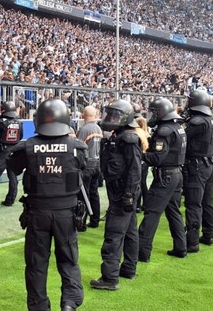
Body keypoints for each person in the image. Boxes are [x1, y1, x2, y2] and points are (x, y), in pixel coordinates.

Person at [7, 99, 86, 311]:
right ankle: (69, 303)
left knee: (36, 264)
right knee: (69, 261)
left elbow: (13, 168)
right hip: (66, 214)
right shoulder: (76, 146)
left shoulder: (27, 147)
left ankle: (39, 306)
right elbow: (85, 169)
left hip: (37, 213)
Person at [91, 99, 142, 291]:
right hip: (121, 191)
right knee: (130, 231)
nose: (110, 118)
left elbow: (134, 170)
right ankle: (128, 268)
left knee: (113, 234)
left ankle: (110, 277)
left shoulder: (128, 138)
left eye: (115, 115)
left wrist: (129, 193)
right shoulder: (120, 136)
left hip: (123, 192)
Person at [137, 97, 187, 260]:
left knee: (152, 212)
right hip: (176, 174)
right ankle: (181, 247)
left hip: (165, 176)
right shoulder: (178, 128)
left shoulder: (164, 131)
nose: (151, 115)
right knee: (173, 211)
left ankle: (142, 252)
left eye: (153, 112)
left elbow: (158, 158)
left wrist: (142, 155)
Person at [182, 89, 213, 251]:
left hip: (196, 164)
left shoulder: (197, 121)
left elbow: (182, 137)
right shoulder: (212, 120)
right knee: (207, 201)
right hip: (209, 163)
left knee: (193, 203)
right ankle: (209, 234)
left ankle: (192, 241)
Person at [75, 105, 103, 230]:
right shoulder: (98, 128)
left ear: (83, 115)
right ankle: (95, 219)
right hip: (97, 163)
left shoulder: (84, 129)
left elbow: (78, 148)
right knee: (94, 193)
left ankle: (82, 222)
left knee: (83, 194)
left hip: (87, 165)